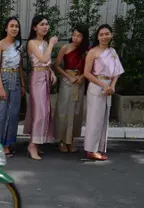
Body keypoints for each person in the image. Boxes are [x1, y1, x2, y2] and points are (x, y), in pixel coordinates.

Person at [83, 24, 124, 160]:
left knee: (104, 119)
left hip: (108, 88)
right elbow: (87, 73)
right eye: (101, 34)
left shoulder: (112, 52)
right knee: (94, 119)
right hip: (96, 86)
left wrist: (112, 86)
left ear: (111, 35)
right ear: (97, 37)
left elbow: (117, 71)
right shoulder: (93, 52)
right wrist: (103, 85)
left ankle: (99, 147)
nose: (104, 37)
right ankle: (90, 149)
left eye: (107, 34)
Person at [23, 15, 58, 160]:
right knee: (39, 112)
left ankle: (37, 142)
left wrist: (51, 72)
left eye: (47, 24)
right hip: (37, 79)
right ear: (34, 27)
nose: (45, 27)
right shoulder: (32, 43)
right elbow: (43, 59)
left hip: (44, 77)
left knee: (46, 111)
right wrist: (50, 44)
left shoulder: (43, 42)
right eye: (42, 24)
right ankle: (32, 144)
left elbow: (46, 63)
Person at [0, 16, 25, 158]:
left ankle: (8, 143)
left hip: (16, 80)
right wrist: (0, 87)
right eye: (11, 26)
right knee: (1, 114)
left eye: (16, 26)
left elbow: (20, 67)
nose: (14, 28)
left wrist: (23, 85)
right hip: (3, 79)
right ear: (6, 28)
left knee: (13, 113)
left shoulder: (19, 45)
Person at [53, 24, 90, 153]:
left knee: (76, 110)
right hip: (67, 81)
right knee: (64, 109)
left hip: (80, 81)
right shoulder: (65, 48)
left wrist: (82, 76)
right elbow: (57, 66)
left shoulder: (87, 51)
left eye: (79, 36)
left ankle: (72, 139)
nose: (75, 38)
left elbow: (90, 68)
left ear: (84, 38)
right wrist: (69, 76)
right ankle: (62, 140)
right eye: (74, 35)